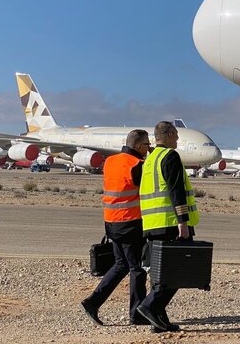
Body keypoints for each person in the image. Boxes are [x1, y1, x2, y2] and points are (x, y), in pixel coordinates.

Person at [81, 129, 151, 326]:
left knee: (121, 265)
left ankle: (93, 302)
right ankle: (136, 314)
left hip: (111, 222)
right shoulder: (137, 165)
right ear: (138, 146)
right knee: (137, 268)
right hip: (130, 223)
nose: (149, 149)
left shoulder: (111, 161)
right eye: (147, 145)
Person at [136, 121, 200, 333]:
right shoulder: (170, 156)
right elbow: (176, 191)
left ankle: (158, 320)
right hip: (170, 223)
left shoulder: (150, 158)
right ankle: (149, 305)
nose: (178, 139)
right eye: (176, 135)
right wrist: (183, 222)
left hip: (152, 224)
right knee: (177, 271)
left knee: (160, 274)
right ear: (170, 134)